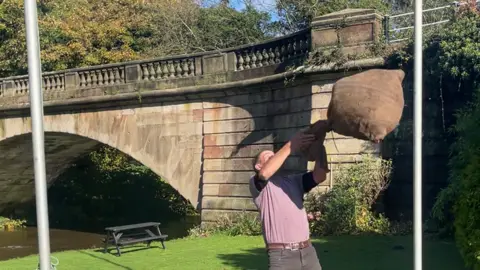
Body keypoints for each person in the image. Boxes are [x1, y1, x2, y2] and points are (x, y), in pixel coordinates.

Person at [249, 130, 329, 270]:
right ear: (258, 166)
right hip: (281, 254)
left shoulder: (294, 181)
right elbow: (265, 173)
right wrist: (292, 144)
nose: (274, 158)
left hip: (308, 250)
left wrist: (320, 146)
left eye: (275, 156)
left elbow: (320, 175)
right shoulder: (258, 185)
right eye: (269, 158)